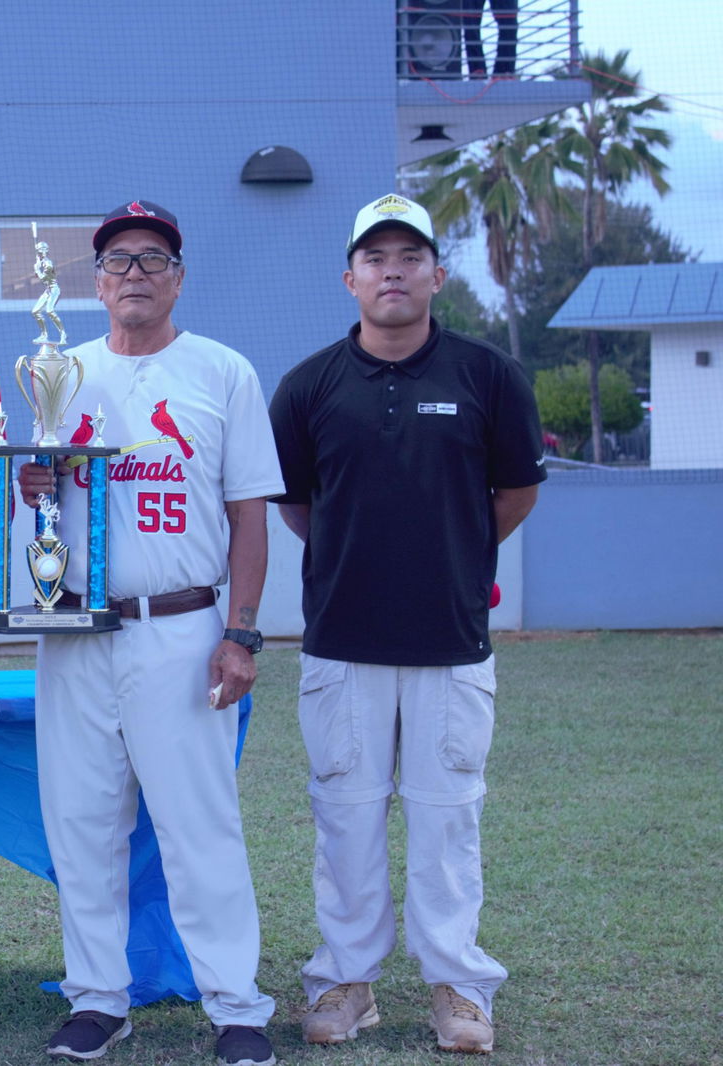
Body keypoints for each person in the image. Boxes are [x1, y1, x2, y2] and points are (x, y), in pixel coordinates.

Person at [268, 194, 545, 1055]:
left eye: (409, 256)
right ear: (349, 277)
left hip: (449, 643)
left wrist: (447, 557)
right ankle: (345, 985)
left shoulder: (487, 376)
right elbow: (300, 507)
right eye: (376, 258)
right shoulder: (309, 385)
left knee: (446, 818)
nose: (393, 271)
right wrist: (368, 559)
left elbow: (514, 494)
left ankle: (458, 989)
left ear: (437, 272)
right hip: (343, 643)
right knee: (345, 817)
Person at [17, 200, 283, 1066]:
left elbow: (249, 516)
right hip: (79, 633)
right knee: (83, 824)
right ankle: (98, 998)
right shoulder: (61, 373)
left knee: (198, 825)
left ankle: (237, 1006)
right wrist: (33, 490)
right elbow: (42, 507)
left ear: (179, 275)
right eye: (119, 260)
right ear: (96, 282)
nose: (135, 273)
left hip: (182, 624)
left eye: (153, 258)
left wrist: (242, 631)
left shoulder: (222, 372)